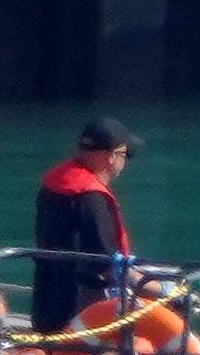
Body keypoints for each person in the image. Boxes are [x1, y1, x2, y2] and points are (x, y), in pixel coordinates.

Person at [33, 117, 139, 335]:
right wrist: (159, 288)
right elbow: (109, 264)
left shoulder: (52, 185)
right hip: (82, 310)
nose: (125, 162)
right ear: (111, 156)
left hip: (47, 304)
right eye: (126, 155)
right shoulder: (91, 198)